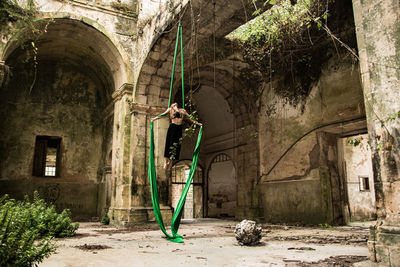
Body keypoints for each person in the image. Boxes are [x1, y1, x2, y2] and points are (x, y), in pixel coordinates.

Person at [151, 103, 202, 170]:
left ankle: (171, 162)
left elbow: (190, 118)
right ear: (171, 105)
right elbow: (162, 115)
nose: (175, 105)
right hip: (172, 127)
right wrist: (154, 119)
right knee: (169, 143)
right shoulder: (170, 110)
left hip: (179, 128)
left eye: (176, 105)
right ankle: (166, 161)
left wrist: (197, 123)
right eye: (173, 105)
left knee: (176, 145)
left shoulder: (182, 111)